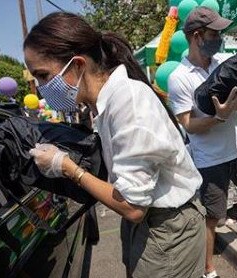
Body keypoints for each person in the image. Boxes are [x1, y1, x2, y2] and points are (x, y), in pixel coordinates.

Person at [25, 12, 206, 278]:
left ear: (76, 65)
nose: (41, 88)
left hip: (167, 227)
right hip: (150, 223)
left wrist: (66, 167)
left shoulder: (128, 101)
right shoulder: (106, 104)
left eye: (43, 76)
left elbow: (133, 207)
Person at [168, 7, 237, 278]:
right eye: (214, 33)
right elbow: (189, 124)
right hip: (209, 158)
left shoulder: (224, 63)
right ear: (197, 36)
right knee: (213, 216)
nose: (220, 37)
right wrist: (217, 118)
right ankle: (208, 268)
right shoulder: (179, 78)